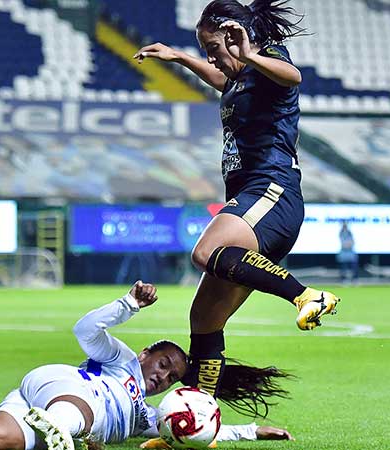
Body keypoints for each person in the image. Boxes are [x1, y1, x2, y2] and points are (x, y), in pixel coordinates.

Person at [134, 0, 341, 399]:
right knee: (204, 320)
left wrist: (249, 53)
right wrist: (180, 57)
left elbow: (292, 76)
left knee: (205, 251)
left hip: (271, 191)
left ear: (234, 37)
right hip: (252, 200)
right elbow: (223, 77)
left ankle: (306, 295)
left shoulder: (268, 61)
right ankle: (199, 423)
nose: (212, 56)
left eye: (213, 47)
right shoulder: (239, 78)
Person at [0, 281, 293, 450]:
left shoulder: (147, 418)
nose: (161, 377)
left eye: (170, 378)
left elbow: (194, 429)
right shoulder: (121, 361)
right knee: (86, 412)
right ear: (147, 353)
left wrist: (254, 431)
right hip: (67, 387)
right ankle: (62, 431)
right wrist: (128, 304)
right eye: (163, 363)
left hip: (39, 403)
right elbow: (86, 328)